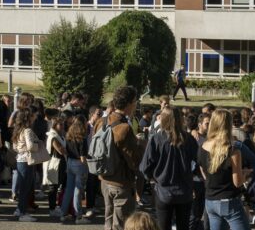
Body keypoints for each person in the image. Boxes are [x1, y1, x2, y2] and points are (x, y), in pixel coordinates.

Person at [140, 107, 198, 230]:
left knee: (163, 226)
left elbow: (145, 166)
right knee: (183, 226)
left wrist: (151, 178)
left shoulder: (156, 139)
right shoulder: (189, 139)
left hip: (163, 191)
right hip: (185, 190)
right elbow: (198, 162)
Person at [97, 86, 144, 230]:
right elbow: (134, 159)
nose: (136, 105)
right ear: (129, 103)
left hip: (104, 178)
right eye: (135, 101)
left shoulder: (101, 121)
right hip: (120, 182)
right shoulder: (124, 128)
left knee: (108, 220)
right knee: (122, 224)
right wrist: (140, 144)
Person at [199, 109, 251, 230]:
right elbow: (237, 182)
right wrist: (246, 174)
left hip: (210, 200)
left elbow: (203, 171)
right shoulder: (233, 151)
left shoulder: (203, 146)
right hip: (229, 201)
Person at [62, 114, 92, 224]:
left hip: (70, 162)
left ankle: (63, 213)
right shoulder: (82, 138)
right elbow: (83, 157)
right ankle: (78, 216)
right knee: (78, 190)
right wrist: (88, 166)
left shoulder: (68, 135)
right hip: (79, 164)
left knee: (69, 189)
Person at [11, 108, 40, 222]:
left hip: (20, 159)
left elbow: (14, 147)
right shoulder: (27, 130)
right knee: (25, 188)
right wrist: (38, 146)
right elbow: (31, 146)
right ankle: (22, 212)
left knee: (23, 187)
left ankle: (19, 209)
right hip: (27, 160)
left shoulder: (17, 130)